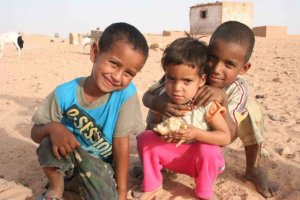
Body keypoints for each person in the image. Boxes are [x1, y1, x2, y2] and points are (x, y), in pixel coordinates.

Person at [142, 21, 278, 198]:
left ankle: (253, 168)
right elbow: (147, 97)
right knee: (162, 96)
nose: (216, 69)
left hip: (215, 133)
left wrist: (223, 99)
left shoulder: (237, 88)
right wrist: (159, 103)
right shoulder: (189, 69)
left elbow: (226, 136)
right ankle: (154, 160)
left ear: (244, 68)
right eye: (212, 57)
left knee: (252, 110)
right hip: (176, 130)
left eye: (228, 64)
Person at [31, 22, 149, 200]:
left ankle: (76, 186)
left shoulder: (126, 95)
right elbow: (35, 133)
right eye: (114, 64)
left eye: (128, 73)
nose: (117, 77)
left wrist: (122, 193)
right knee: (49, 141)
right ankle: (55, 189)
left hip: (99, 165)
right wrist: (53, 128)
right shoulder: (65, 93)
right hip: (68, 156)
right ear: (95, 52)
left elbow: (121, 143)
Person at [137, 37, 232, 200]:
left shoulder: (206, 104)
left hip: (197, 161)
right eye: (171, 79)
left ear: (202, 80)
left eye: (187, 81)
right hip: (172, 155)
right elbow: (153, 124)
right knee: (144, 138)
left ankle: (204, 192)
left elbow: (225, 137)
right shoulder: (164, 99)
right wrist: (161, 132)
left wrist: (196, 134)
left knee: (208, 150)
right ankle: (153, 185)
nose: (177, 88)